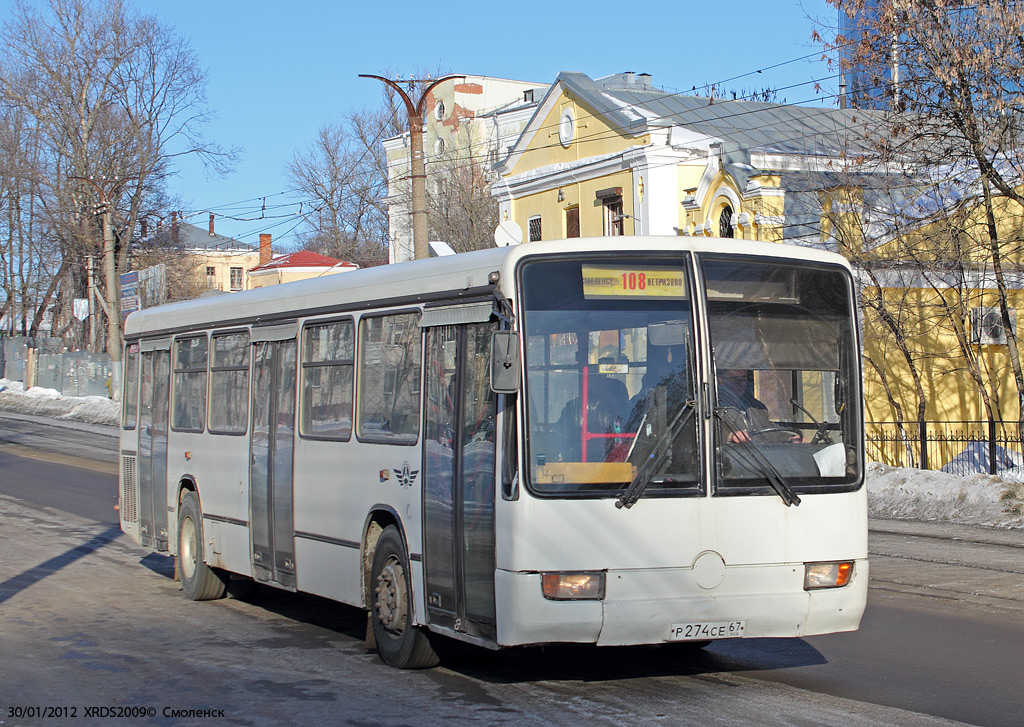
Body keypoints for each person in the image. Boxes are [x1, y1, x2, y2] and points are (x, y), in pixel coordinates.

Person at [716, 369, 801, 444]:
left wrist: (789, 438)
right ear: (721, 380)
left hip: (759, 459)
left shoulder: (756, 407)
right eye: (735, 379)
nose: (740, 383)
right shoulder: (714, 407)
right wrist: (729, 436)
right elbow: (708, 434)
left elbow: (769, 431)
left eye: (743, 378)